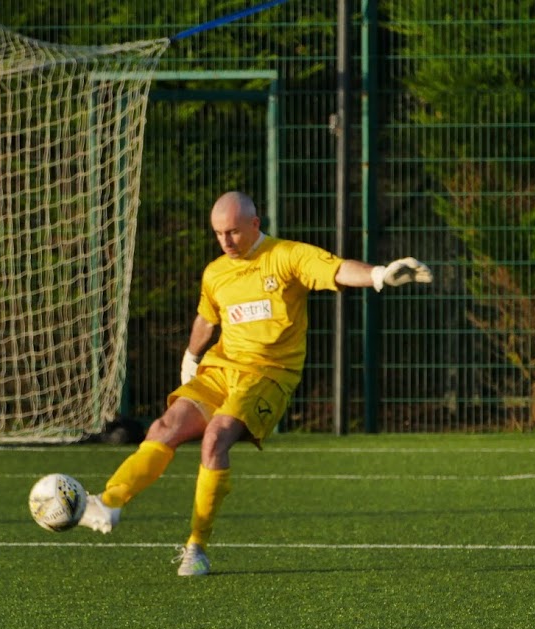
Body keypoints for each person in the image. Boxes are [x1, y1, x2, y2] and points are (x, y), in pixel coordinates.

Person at [77, 190, 432, 576]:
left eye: (232, 232)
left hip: (268, 376)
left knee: (215, 438)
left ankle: (196, 547)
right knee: (164, 427)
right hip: (220, 369)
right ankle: (109, 503)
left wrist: (379, 275)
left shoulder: (287, 256)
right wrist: (191, 359)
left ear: (255, 224)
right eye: (218, 234)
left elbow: (337, 270)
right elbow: (206, 319)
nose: (225, 241)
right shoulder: (216, 272)